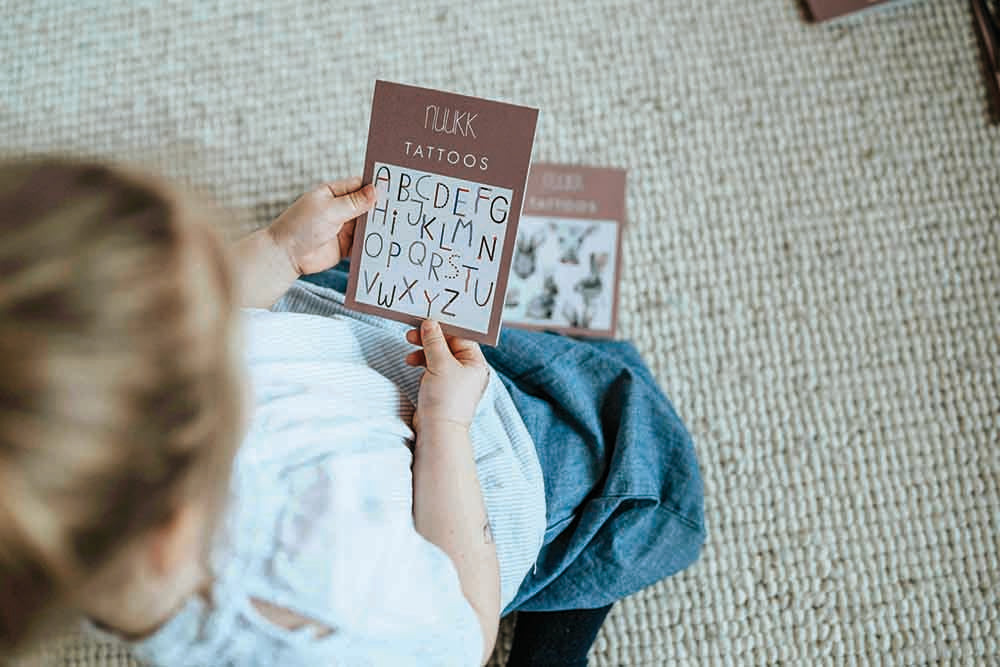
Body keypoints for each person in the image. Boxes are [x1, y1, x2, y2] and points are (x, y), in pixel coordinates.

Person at [0, 160, 705, 667]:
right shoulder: (330, 591)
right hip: (465, 480)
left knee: (379, 275)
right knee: (633, 463)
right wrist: (449, 428)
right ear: (173, 525)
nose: (213, 306)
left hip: (346, 353)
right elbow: (466, 626)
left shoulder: (93, 520)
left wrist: (276, 250)